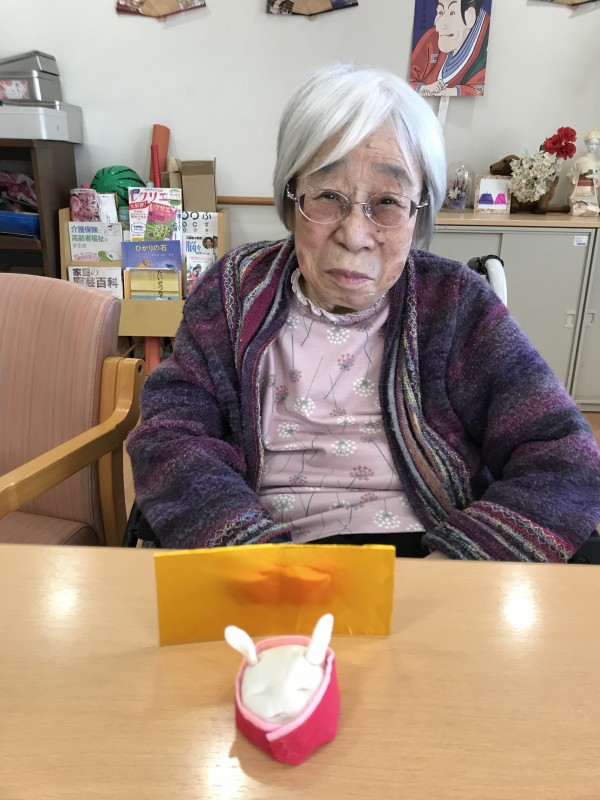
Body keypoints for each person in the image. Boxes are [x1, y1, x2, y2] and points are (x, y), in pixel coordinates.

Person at [127, 63, 600, 561]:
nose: (354, 235)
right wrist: (256, 559)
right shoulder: (233, 292)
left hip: (433, 555)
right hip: (270, 556)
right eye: (328, 196)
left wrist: (460, 565)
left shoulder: (455, 302)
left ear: (419, 212)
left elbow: (563, 454)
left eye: (388, 202)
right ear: (291, 198)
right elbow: (170, 435)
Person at [410, 0, 490, 97]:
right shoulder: (433, 38)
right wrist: (424, 89)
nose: (438, 23)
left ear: (470, 16)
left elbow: (477, 88)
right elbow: (409, 80)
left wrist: (450, 91)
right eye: (440, 12)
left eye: (452, 13)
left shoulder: (486, 47)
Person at [567, 128, 600, 217]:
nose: (593, 146)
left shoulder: (598, 161)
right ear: (586, 143)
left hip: (591, 192)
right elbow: (569, 175)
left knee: (594, 209)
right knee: (578, 208)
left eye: (596, 144)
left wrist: (596, 177)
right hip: (578, 192)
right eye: (591, 144)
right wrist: (578, 173)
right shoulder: (580, 160)